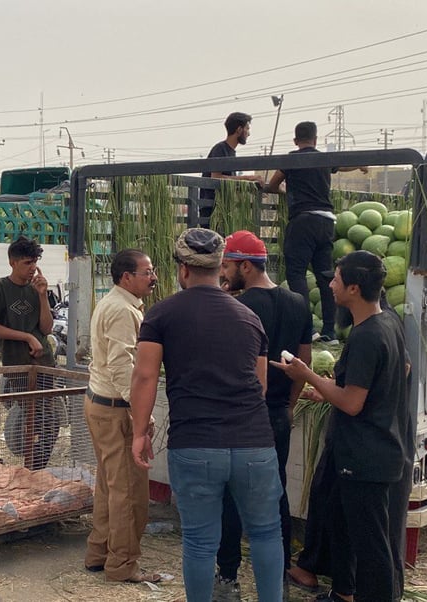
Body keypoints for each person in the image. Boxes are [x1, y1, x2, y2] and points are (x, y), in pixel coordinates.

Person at [130, 228, 284, 602]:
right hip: (254, 444)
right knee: (266, 533)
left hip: (195, 443)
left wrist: (139, 432)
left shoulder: (161, 314)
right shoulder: (249, 317)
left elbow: (145, 375)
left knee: (200, 540)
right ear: (220, 268)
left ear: (183, 269)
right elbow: (261, 387)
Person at [271, 250, 409, 602]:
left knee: (372, 545)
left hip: (364, 456)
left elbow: (352, 402)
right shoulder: (388, 323)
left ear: (353, 288)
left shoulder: (366, 336)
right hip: (378, 448)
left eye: (334, 279)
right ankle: (344, 593)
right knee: (348, 528)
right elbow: (394, 374)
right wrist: (330, 389)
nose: (329, 285)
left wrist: (307, 376)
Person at [214, 231, 314, 598]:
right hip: (276, 414)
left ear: (245, 265)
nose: (223, 274)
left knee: (232, 494)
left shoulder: (238, 307)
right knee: (275, 494)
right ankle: (279, 578)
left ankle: (227, 577)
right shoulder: (298, 303)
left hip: (241, 415)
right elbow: (304, 362)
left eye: (226, 266)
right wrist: (288, 405)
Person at [83, 249, 160, 584]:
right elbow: (121, 366)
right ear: (127, 277)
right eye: (147, 271)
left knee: (110, 485)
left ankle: (99, 552)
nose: (153, 276)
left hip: (101, 404)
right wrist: (140, 411)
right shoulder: (121, 311)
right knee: (128, 490)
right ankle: (123, 565)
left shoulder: (116, 304)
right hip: (114, 408)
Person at [263, 121, 368, 344]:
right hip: (326, 221)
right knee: (325, 277)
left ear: (295, 141)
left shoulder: (291, 159)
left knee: (296, 273)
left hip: (303, 220)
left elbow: (272, 185)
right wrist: (361, 165)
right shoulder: (323, 159)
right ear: (316, 140)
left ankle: (307, 329)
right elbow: (343, 165)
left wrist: (284, 191)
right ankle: (329, 331)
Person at [0, 236, 55, 369]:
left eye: (35, 262)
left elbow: (46, 329)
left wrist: (43, 296)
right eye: (27, 263)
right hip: (15, 363)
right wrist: (28, 337)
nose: (32, 268)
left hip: (44, 361)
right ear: (12, 263)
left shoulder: (36, 288)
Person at [204, 112, 265, 183]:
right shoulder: (220, 149)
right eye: (247, 129)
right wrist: (248, 178)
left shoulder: (230, 151)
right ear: (239, 130)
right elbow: (215, 177)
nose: (249, 134)